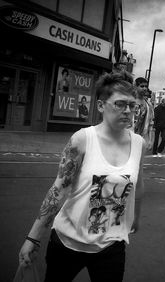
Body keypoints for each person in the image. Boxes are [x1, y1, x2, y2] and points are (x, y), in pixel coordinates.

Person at [18, 70, 146, 281]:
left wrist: (136, 217)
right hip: (67, 243)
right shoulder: (82, 140)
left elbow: (139, 183)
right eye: (120, 104)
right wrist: (33, 237)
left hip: (111, 245)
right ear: (101, 106)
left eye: (132, 105)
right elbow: (58, 191)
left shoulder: (139, 143)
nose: (128, 111)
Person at [134, 77, 154, 150]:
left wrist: (150, 140)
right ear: (135, 86)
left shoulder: (149, 105)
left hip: (140, 139)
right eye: (142, 86)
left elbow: (151, 124)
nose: (145, 88)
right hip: (126, 137)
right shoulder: (129, 101)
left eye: (146, 86)